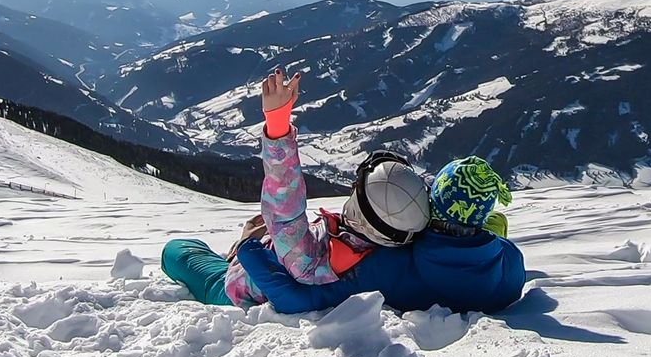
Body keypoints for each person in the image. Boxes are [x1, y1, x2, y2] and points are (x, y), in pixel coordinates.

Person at [161, 68, 429, 307]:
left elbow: (284, 202)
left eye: (358, 188)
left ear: (361, 210)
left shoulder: (309, 259)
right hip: (257, 261)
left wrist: (277, 124)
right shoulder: (373, 247)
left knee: (175, 250)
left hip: (232, 287)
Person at [236, 155, 525, 315]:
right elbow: (488, 241)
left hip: (243, 281)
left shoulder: (393, 264)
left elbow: (300, 301)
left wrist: (249, 251)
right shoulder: (511, 266)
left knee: (190, 254)